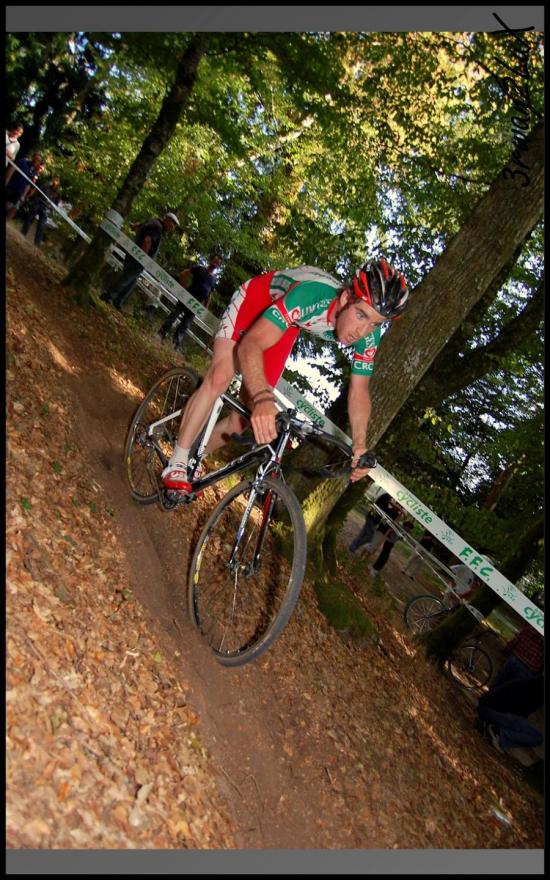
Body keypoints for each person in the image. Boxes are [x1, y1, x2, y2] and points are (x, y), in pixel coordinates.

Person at [160, 259, 410, 491]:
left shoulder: (368, 335)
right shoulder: (311, 296)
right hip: (255, 300)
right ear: (345, 299)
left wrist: (359, 443)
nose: (362, 331)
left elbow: (359, 390)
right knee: (220, 378)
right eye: (361, 315)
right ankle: (177, 462)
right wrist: (263, 398)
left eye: (375, 324)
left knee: (243, 419)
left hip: (286, 325)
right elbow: (251, 345)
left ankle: (193, 460)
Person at [101, 211, 180, 310]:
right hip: (138, 257)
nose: (173, 228)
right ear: (167, 220)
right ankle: (109, 295)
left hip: (133, 252)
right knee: (127, 277)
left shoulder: (153, 221)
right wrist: (142, 256)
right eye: (173, 224)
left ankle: (118, 300)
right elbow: (147, 240)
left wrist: (133, 227)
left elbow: (137, 226)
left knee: (132, 280)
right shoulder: (158, 227)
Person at [159, 253, 222, 349]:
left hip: (196, 305)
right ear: (211, 261)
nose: (215, 264)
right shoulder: (200, 269)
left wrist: (206, 307)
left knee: (185, 324)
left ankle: (175, 343)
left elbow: (209, 294)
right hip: (187, 297)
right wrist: (183, 286)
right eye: (214, 261)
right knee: (174, 315)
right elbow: (184, 273)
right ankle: (161, 333)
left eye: (217, 264)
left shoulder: (213, 280)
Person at [476, 672, 544, 753]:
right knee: (537, 737)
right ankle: (497, 733)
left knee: (522, 725)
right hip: (491, 711)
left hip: (487, 708)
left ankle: (494, 728)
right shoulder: (537, 691)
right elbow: (518, 713)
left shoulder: (531, 683)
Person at [20, 175, 62, 247]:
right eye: (54, 179)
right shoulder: (45, 185)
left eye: (57, 180)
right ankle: (22, 234)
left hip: (46, 208)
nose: (55, 181)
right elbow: (36, 192)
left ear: (59, 183)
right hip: (38, 203)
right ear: (52, 179)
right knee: (29, 220)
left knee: (41, 226)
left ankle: (37, 244)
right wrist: (30, 199)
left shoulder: (58, 193)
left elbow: (55, 204)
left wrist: (51, 209)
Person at [6, 152, 44, 220]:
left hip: (18, 192)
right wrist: (6, 180)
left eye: (38, 160)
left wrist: (24, 195)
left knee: (11, 208)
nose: (36, 161)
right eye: (36, 159)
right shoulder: (23, 161)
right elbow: (12, 169)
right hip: (11, 186)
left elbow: (28, 184)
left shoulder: (33, 172)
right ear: (33, 158)